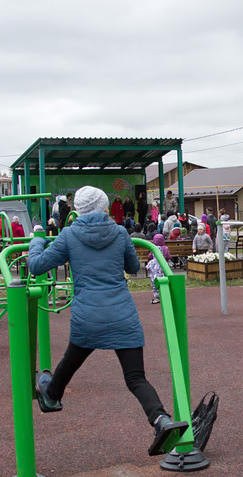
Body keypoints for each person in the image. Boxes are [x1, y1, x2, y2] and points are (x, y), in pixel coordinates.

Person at [27, 185, 187, 457]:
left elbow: (37, 265)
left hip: (88, 317)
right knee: (136, 378)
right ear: (103, 208)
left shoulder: (69, 234)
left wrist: (36, 241)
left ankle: (52, 396)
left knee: (69, 362)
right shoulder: (119, 232)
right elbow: (133, 268)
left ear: (77, 209)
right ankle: (162, 420)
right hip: (121, 315)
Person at [146, 233, 172, 304]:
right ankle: (166, 294)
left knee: (154, 280)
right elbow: (168, 256)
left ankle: (157, 296)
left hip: (155, 267)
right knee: (165, 279)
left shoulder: (153, 248)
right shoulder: (165, 248)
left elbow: (150, 257)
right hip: (163, 266)